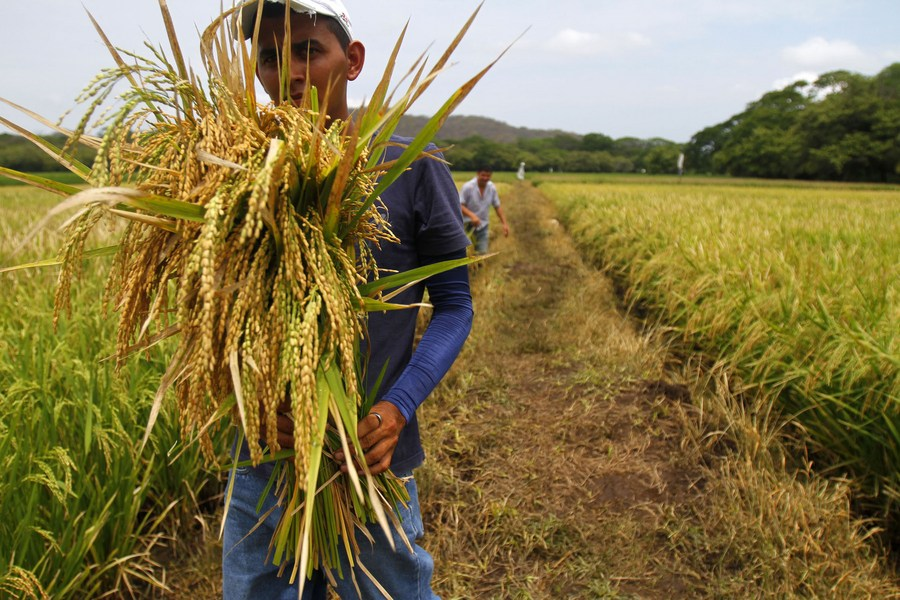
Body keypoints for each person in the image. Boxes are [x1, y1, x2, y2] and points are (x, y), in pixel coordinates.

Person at [221, 1, 474, 598]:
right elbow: (214, 315)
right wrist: (253, 408)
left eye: (309, 50)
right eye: (270, 58)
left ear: (352, 60)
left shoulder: (409, 166)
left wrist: (395, 409)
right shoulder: (232, 172)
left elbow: (455, 305)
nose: (290, 74)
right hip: (264, 461)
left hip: (370, 456)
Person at [458, 167, 509, 254]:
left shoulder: (492, 188)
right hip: (467, 225)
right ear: (478, 174)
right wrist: (472, 216)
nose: (485, 178)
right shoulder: (468, 187)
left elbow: (497, 206)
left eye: (488, 176)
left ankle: (480, 266)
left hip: (483, 224)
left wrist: (504, 224)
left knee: (482, 252)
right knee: (466, 253)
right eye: (483, 175)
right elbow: (459, 205)